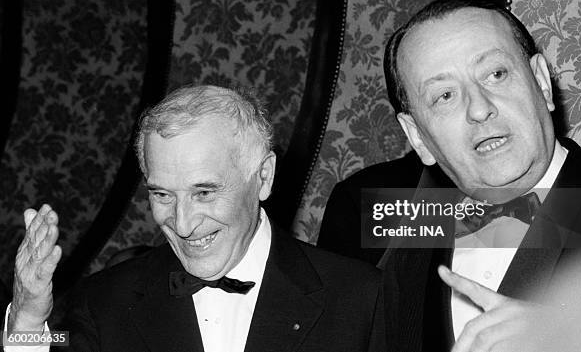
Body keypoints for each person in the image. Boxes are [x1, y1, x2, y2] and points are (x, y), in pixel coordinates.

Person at [5, 84, 385, 352]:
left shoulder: (361, 296)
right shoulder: (104, 302)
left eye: (204, 192)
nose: (183, 224)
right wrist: (25, 322)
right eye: (162, 195)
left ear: (264, 177)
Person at [380, 0, 581, 351]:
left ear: (542, 83)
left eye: (496, 74)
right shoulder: (400, 255)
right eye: (444, 95)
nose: (478, 108)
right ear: (417, 137)